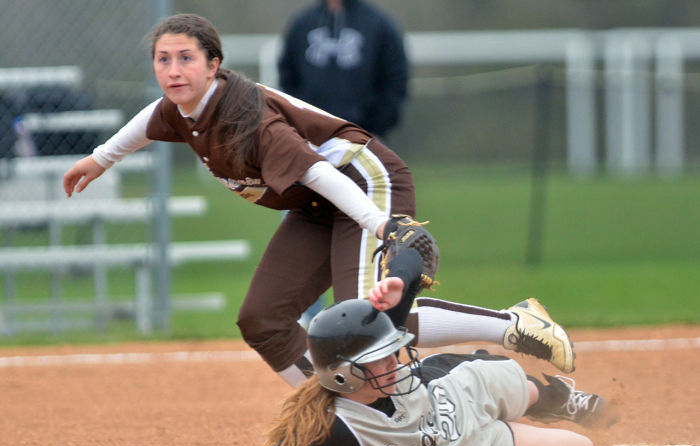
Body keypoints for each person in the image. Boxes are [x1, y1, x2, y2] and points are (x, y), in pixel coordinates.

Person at [62, 13, 574, 388]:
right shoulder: (182, 107)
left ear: (214, 65)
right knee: (262, 319)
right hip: (317, 207)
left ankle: (516, 325)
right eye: (163, 59)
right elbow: (150, 119)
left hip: (364, 182)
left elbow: (321, 173)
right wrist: (99, 159)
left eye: (187, 58)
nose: (173, 70)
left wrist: (381, 227)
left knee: (368, 321)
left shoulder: (250, 120)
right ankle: (332, 418)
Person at [230, 249, 619, 446]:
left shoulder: (397, 367)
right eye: (377, 361)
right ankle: (528, 415)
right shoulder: (335, 431)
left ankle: (561, 398)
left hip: (450, 391)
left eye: (390, 354)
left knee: (518, 387)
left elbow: (412, 255)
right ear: (343, 375)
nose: (393, 363)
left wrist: (398, 280)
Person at [278, 0, 408, 138]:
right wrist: (299, 120)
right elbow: (287, 75)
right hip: (309, 136)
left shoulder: (378, 24)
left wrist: (376, 126)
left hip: (363, 137)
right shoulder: (302, 24)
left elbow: (395, 79)